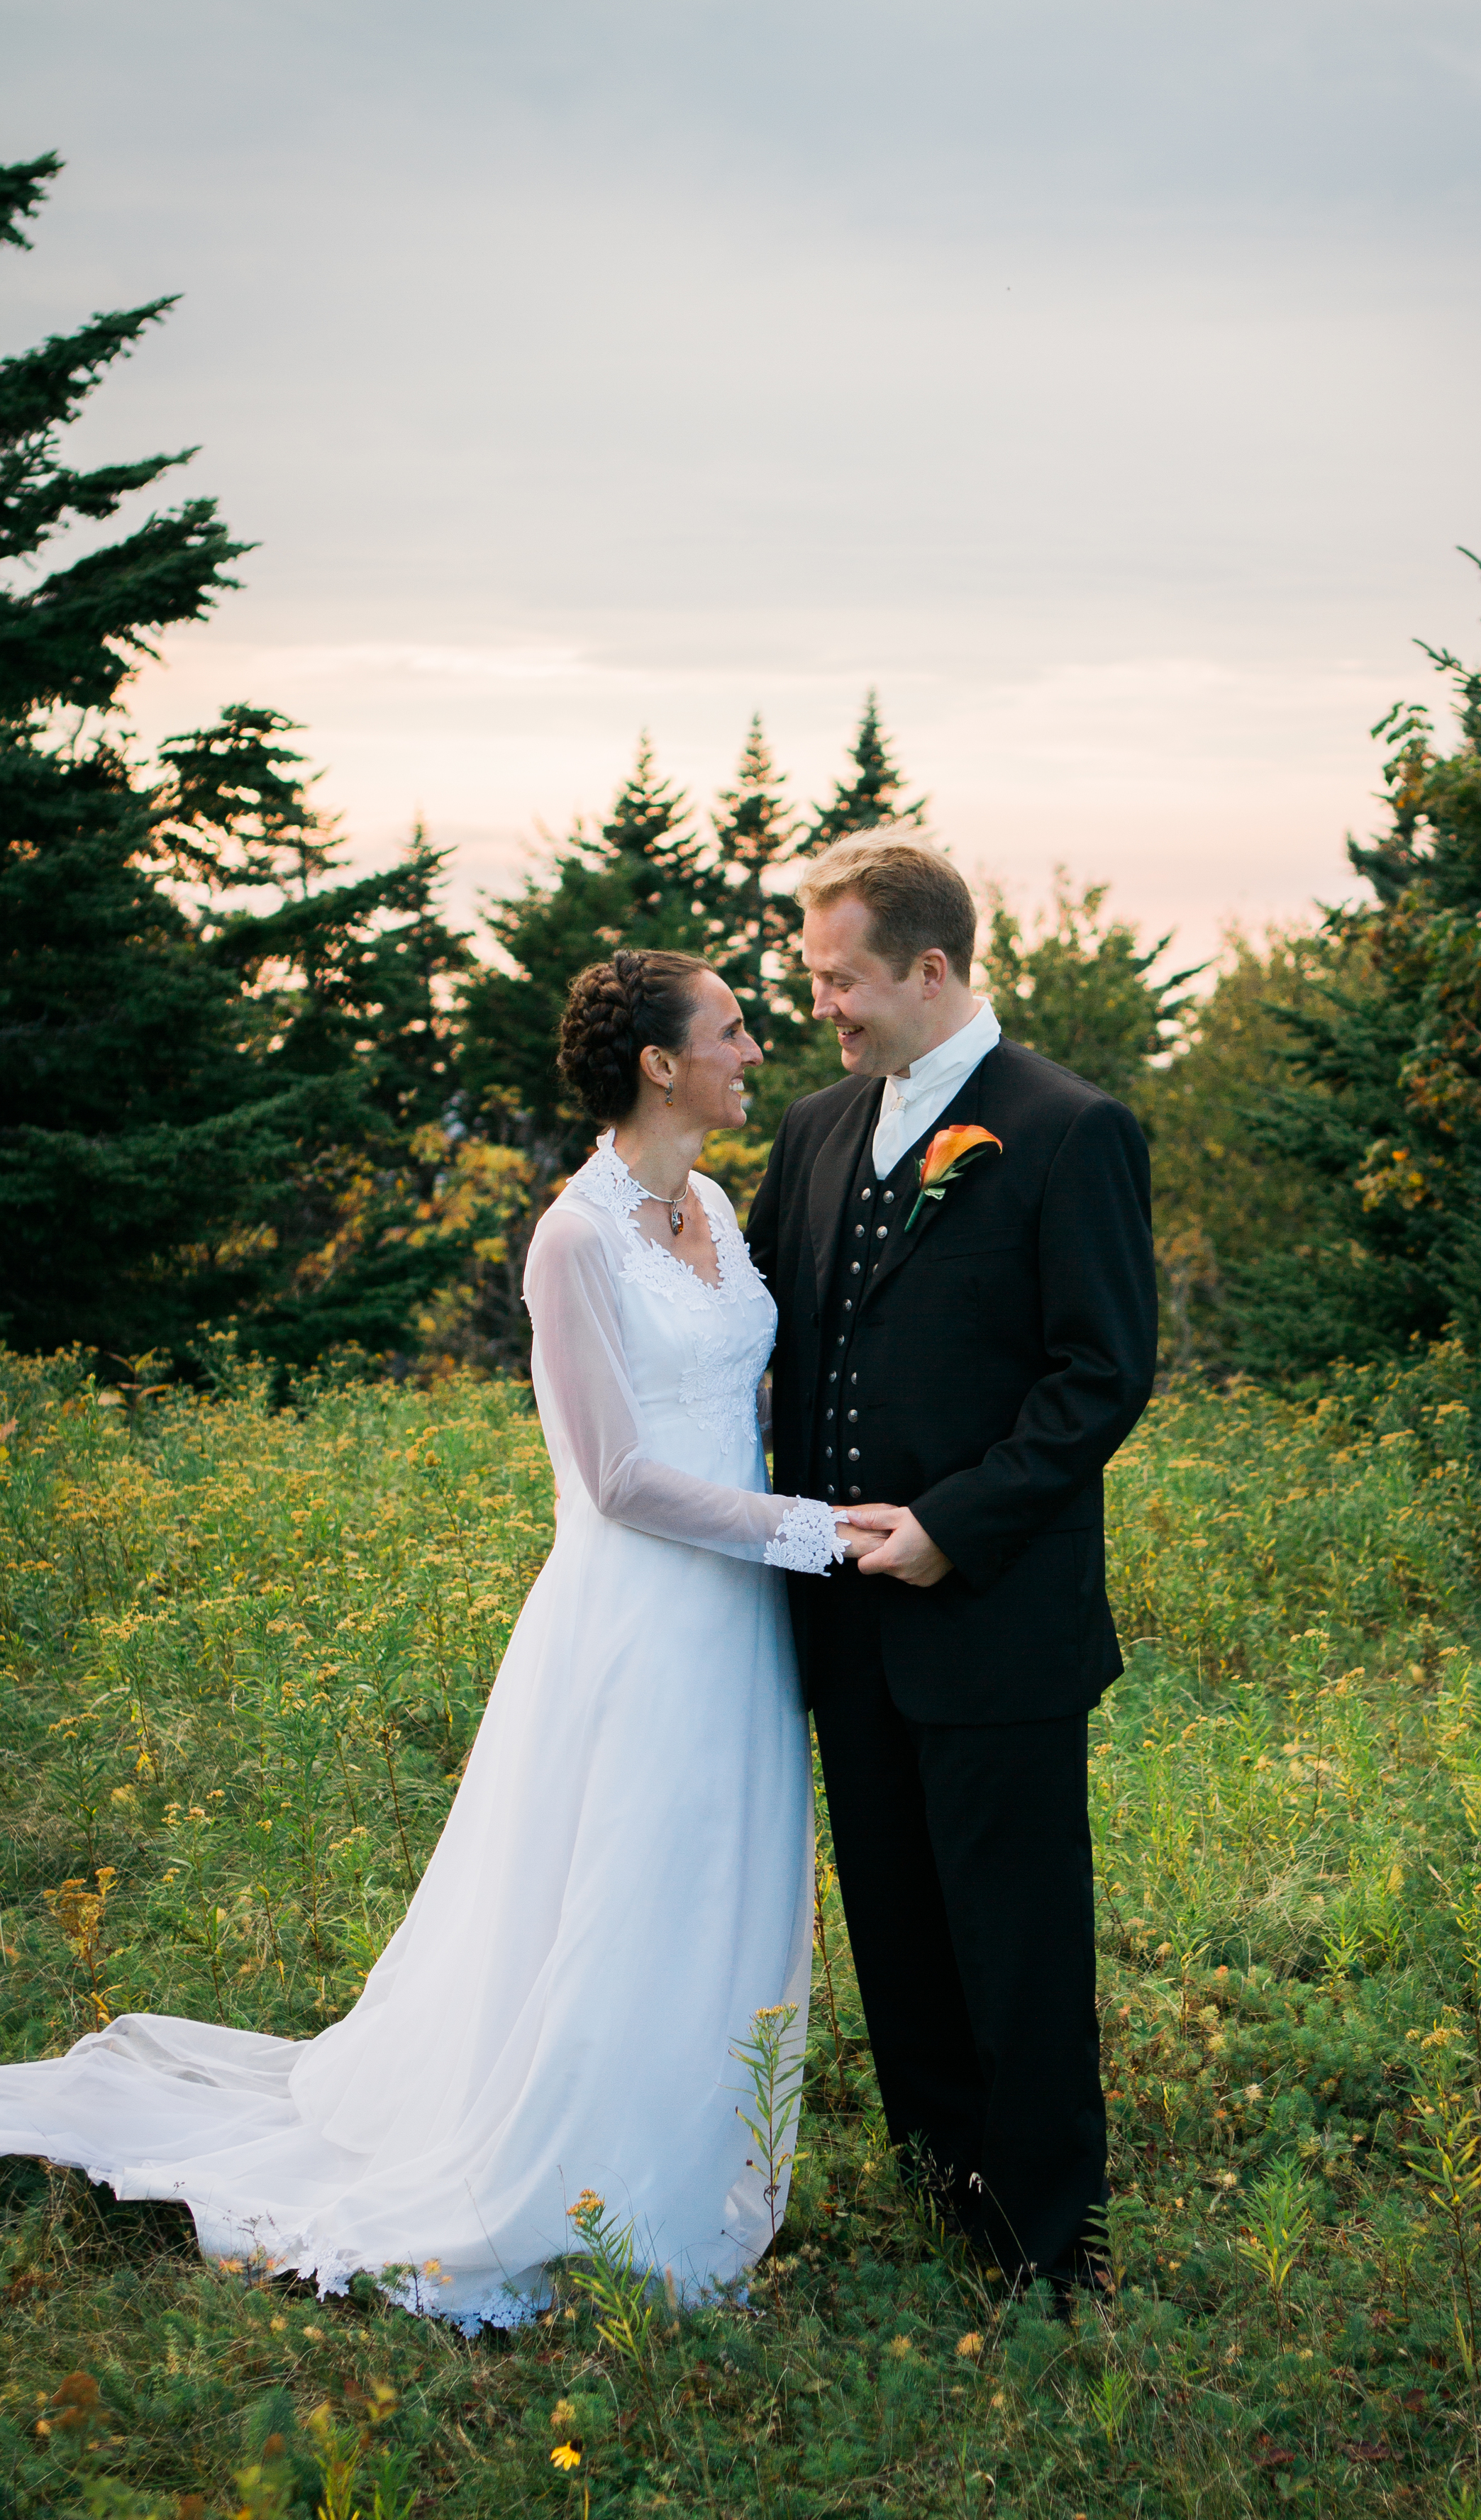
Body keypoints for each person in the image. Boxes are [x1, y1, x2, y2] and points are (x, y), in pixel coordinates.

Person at [0, 951, 865, 2330]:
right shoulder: (573, 1237)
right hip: (640, 1618)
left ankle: (689, 2147)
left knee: (718, 1879)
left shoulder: (706, 1200)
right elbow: (618, 1480)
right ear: (657, 1062)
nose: (756, 1048)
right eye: (731, 1028)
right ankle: (574, 2172)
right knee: (622, 1887)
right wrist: (815, 1529)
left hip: (740, 1620)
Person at [746, 833, 1158, 2290]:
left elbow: (1098, 1376)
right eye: (813, 981)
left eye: (840, 980)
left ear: (930, 970)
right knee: (898, 1931)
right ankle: (944, 2189)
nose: (824, 1009)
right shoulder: (809, 1134)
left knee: (1017, 1941)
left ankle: (1052, 2244)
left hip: (993, 1615)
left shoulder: (1065, 1128)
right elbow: (773, 1345)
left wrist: (951, 1527)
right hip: (840, 1620)